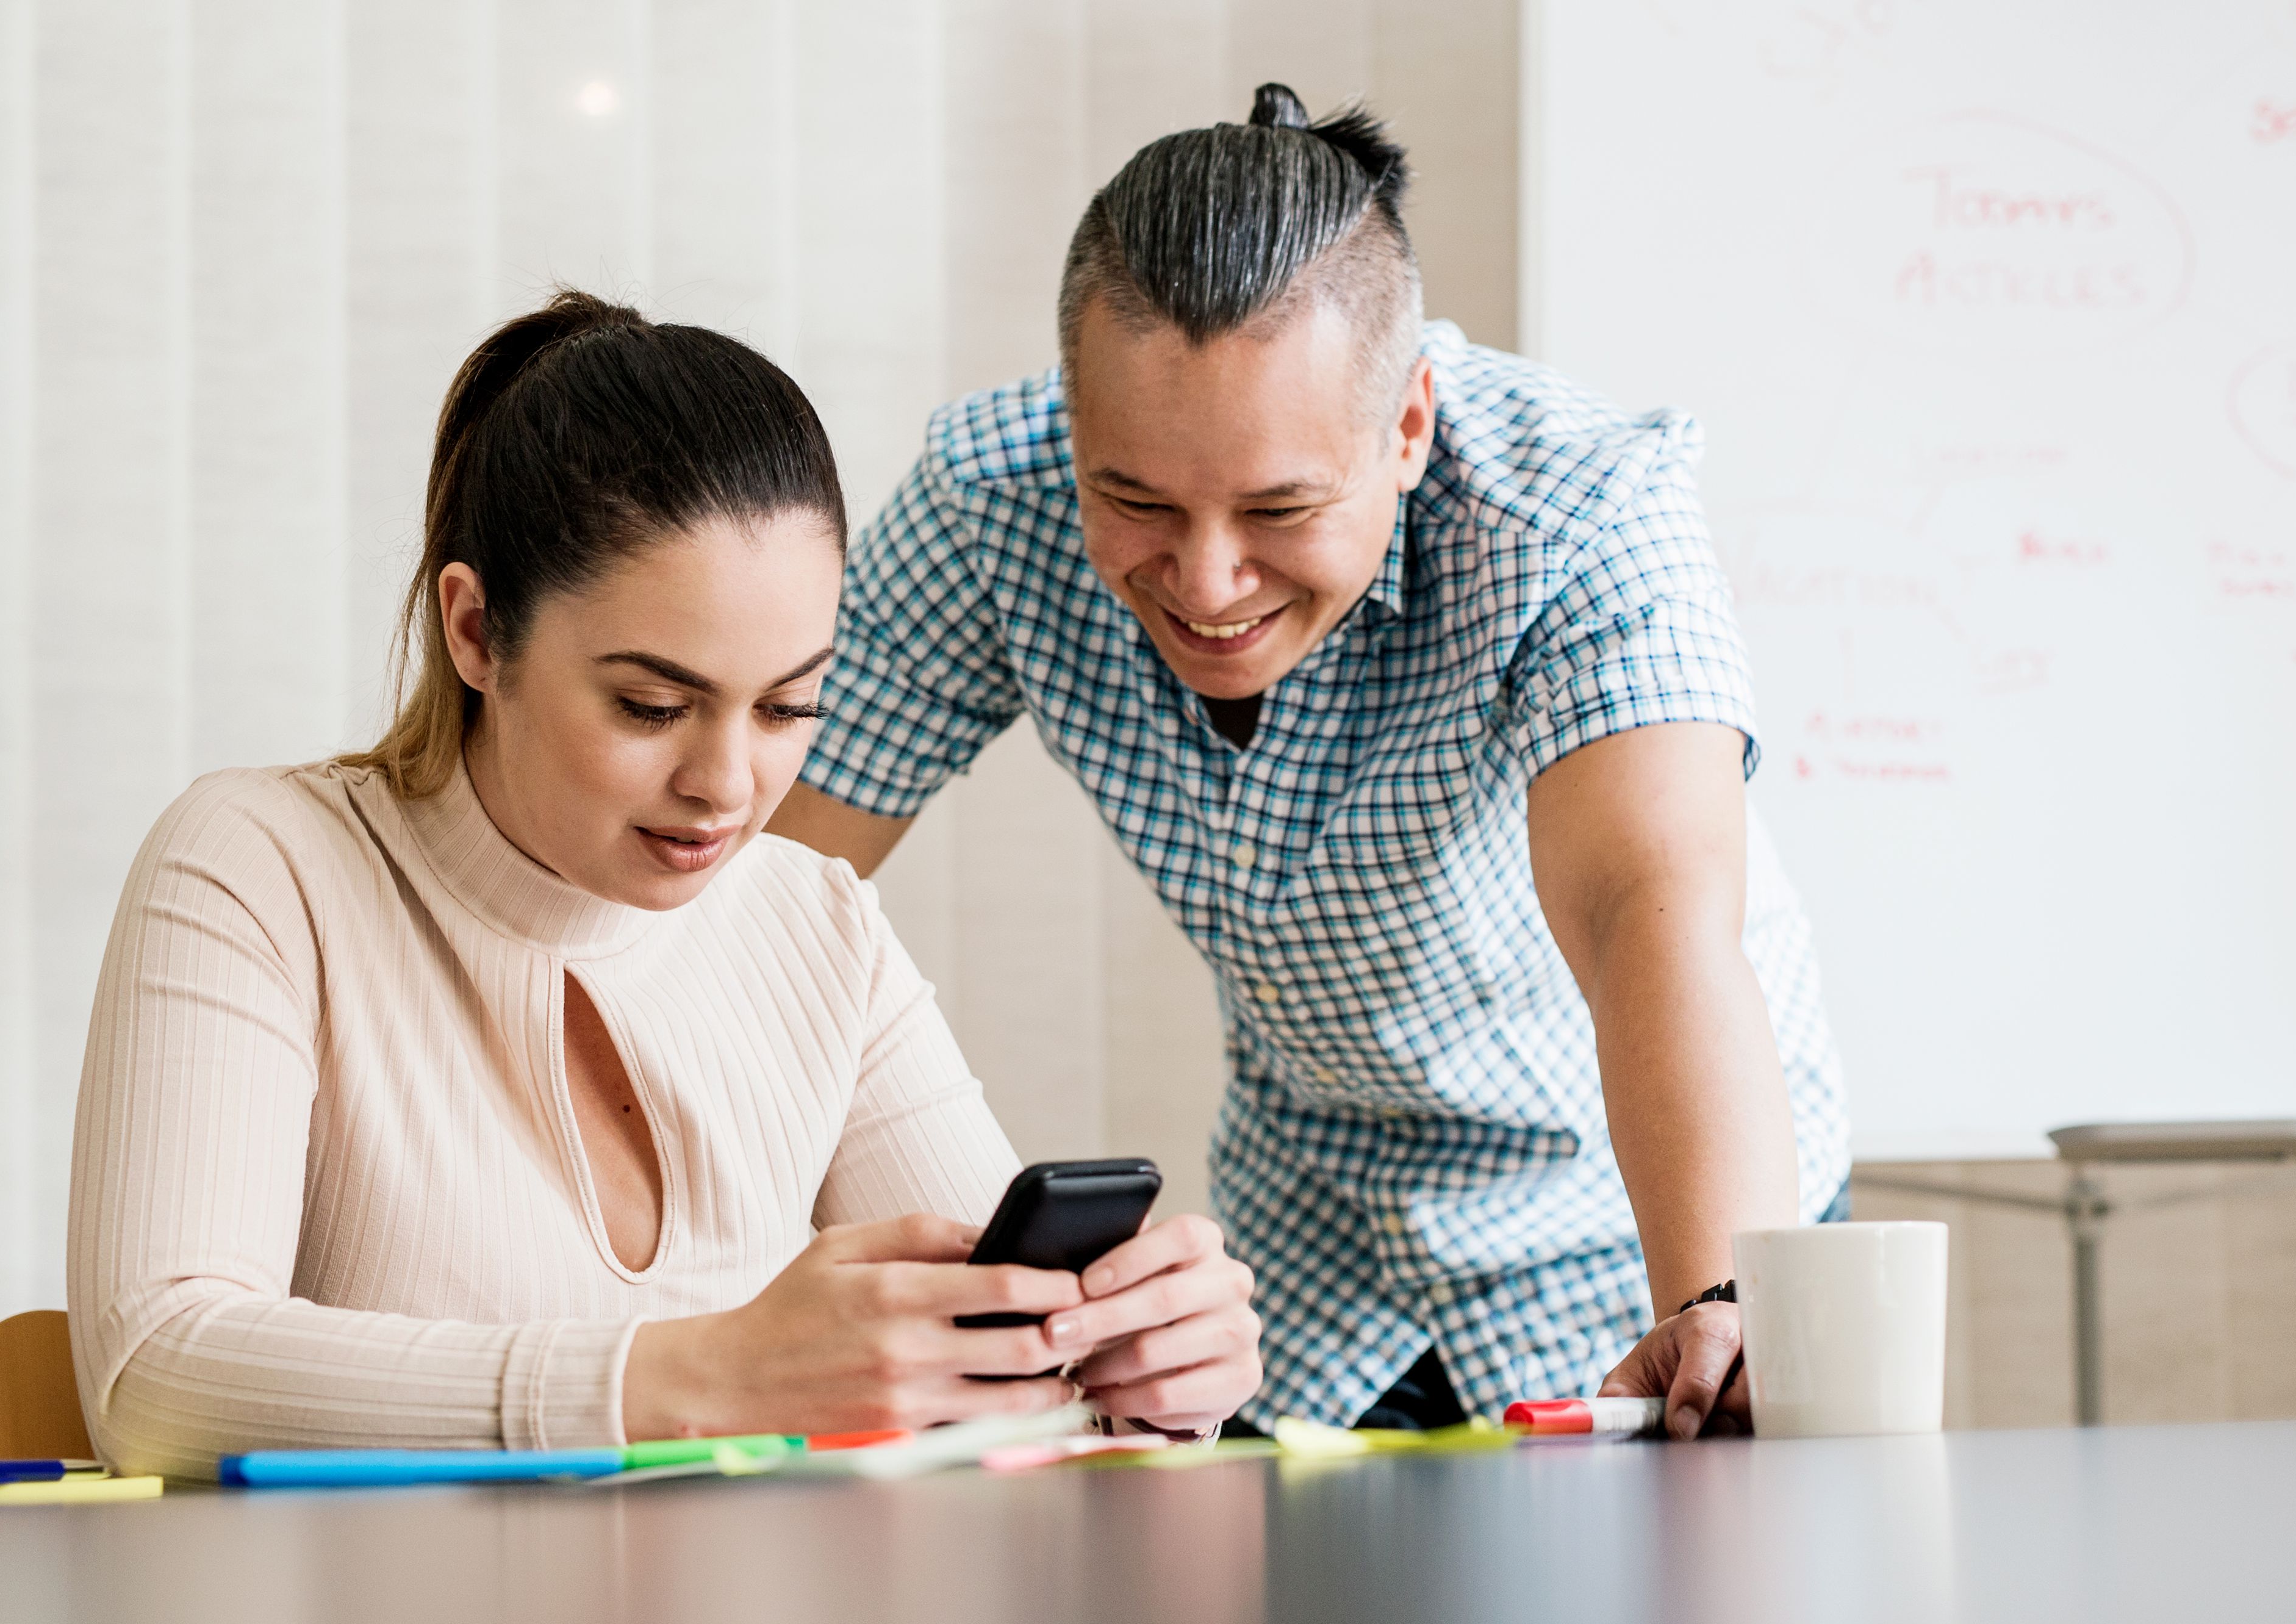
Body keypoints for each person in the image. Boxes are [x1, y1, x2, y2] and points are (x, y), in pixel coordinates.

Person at [770, 87, 1848, 1439]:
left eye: (1280, 510)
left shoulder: (1578, 509)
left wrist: (1718, 1292)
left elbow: (1654, 915)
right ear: (1075, 418)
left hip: (1644, 1213)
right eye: (1136, 501)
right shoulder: (996, 502)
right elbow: (771, 891)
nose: (1208, 582)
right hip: (1317, 1244)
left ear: (1406, 428)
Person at [66, 293, 1261, 1479]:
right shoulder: (264, 868)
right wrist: (692, 1377)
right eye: (652, 706)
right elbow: (156, 1375)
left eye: (791, 704)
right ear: (477, 632)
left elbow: (1010, 1384)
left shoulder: (815, 924)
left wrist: (1137, 1368)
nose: (730, 784)